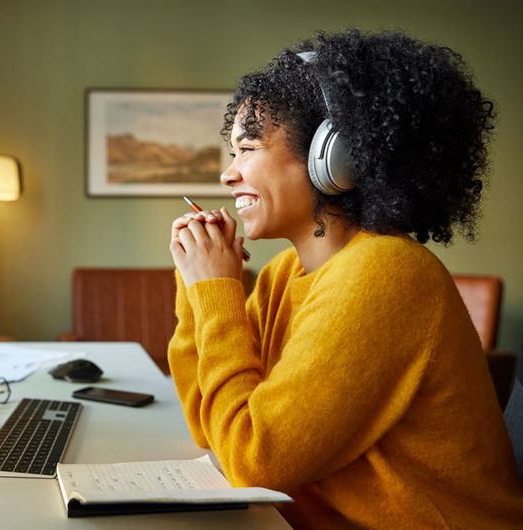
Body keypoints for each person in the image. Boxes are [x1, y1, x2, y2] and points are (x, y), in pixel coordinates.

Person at [167, 29, 523, 528]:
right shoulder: (283, 274)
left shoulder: (386, 272)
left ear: (334, 157)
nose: (228, 174)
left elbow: (254, 461)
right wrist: (196, 287)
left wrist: (217, 291)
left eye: (247, 148)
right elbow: (210, 424)